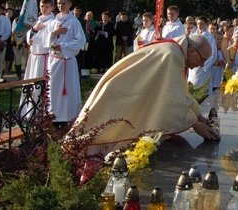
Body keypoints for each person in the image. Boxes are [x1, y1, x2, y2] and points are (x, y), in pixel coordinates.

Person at [66, 33, 218, 155]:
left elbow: (180, 93)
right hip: (121, 93)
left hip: (129, 90)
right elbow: (173, 99)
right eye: (202, 59)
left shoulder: (177, 52)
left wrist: (200, 117)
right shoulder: (172, 56)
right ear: (191, 51)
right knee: (106, 132)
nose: (203, 64)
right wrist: (196, 124)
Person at [43, 0, 86, 124]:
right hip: (54, 61)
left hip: (66, 61)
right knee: (53, 88)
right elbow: (45, 41)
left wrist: (62, 46)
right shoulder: (53, 22)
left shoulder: (73, 22)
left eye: (64, 3)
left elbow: (80, 41)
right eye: (59, 3)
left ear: (70, 4)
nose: (61, 6)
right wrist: (53, 34)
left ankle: (67, 115)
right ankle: (53, 114)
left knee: (67, 90)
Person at [20, 0, 55, 116]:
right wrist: (34, 30)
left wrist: (35, 37)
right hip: (33, 57)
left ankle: (40, 113)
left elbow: (47, 40)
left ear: (52, 8)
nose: (43, 9)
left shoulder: (52, 22)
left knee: (40, 87)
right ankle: (28, 111)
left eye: (46, 7)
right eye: (41, 6)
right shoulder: (37, 20)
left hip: (43, 58)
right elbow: (29, 36)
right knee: (30, 86)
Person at [188, 16, 217, 89]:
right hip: (193, 67)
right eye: (198, 24)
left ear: (206, 25)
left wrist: (203, 65)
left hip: (203, 68)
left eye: (201, 24)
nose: (199, 26)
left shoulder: (210, 37)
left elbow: (213, 54)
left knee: (203, 89)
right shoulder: (192, 36)